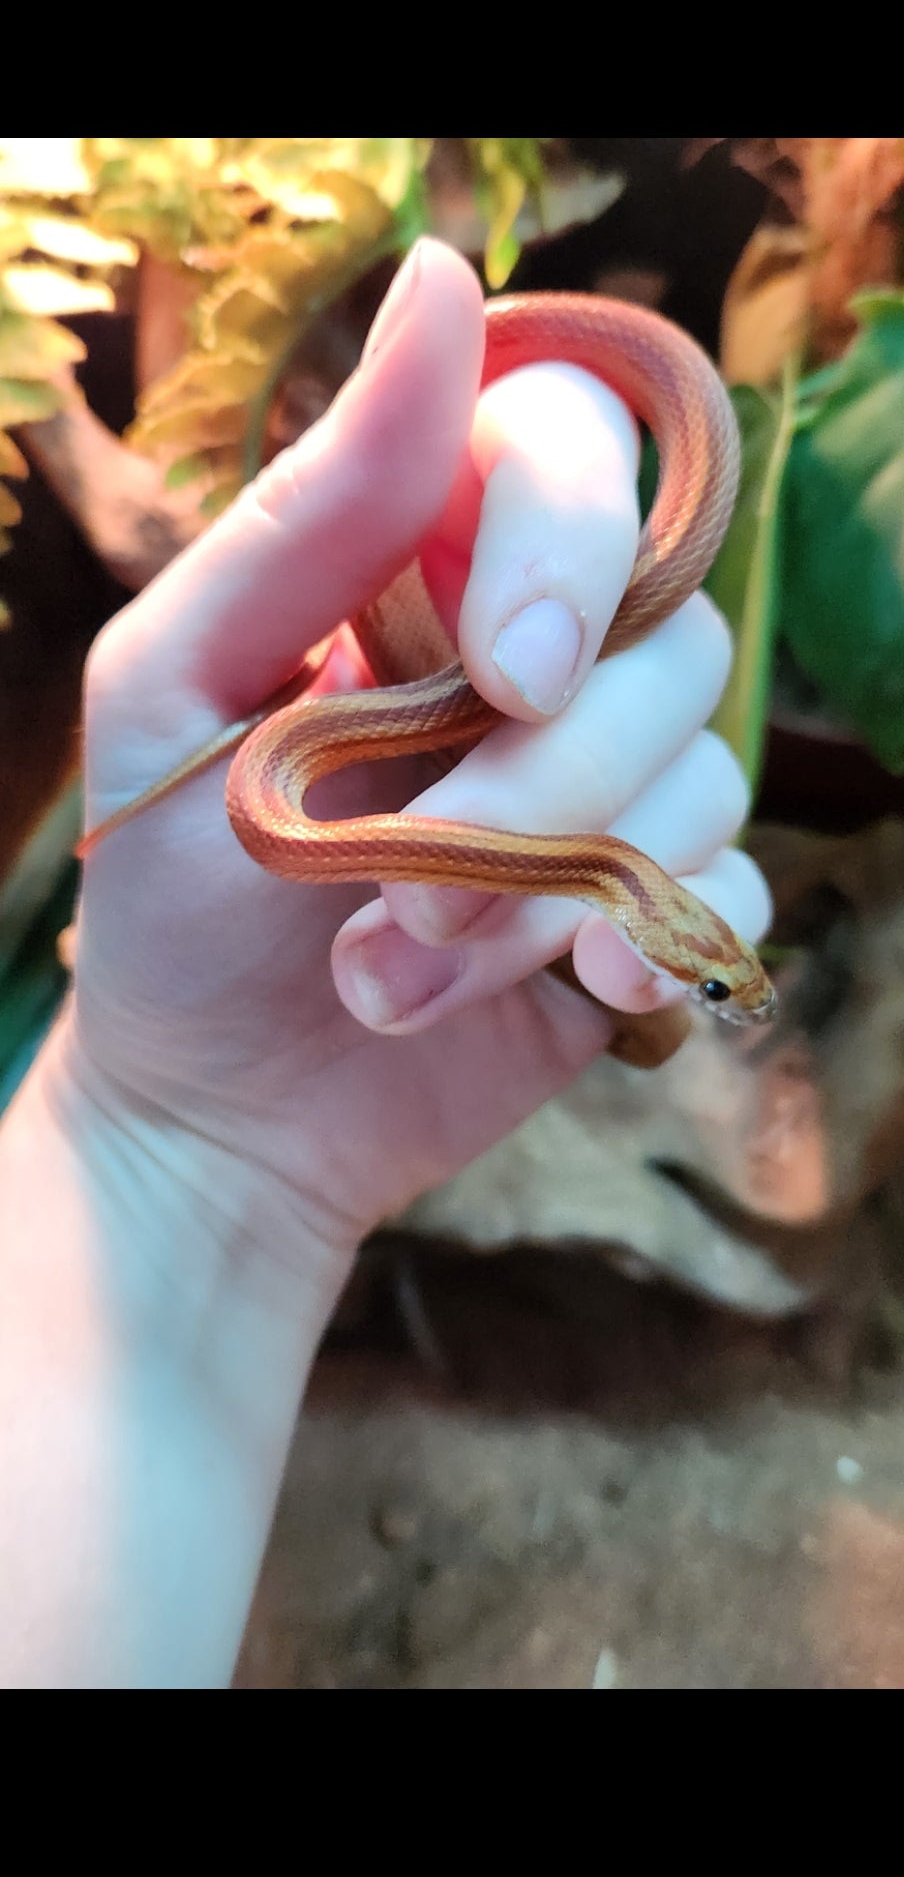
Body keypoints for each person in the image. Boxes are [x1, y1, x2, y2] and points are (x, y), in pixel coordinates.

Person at [0, 239, 769, 1688]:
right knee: (542, 647)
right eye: (715, 982)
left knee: (566, 636)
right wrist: (169, 1148)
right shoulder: (559, 873)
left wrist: (187, 1157)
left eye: (713, 985)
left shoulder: (598, 890)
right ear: (667, 926)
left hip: (226, 1140)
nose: (717, 994)